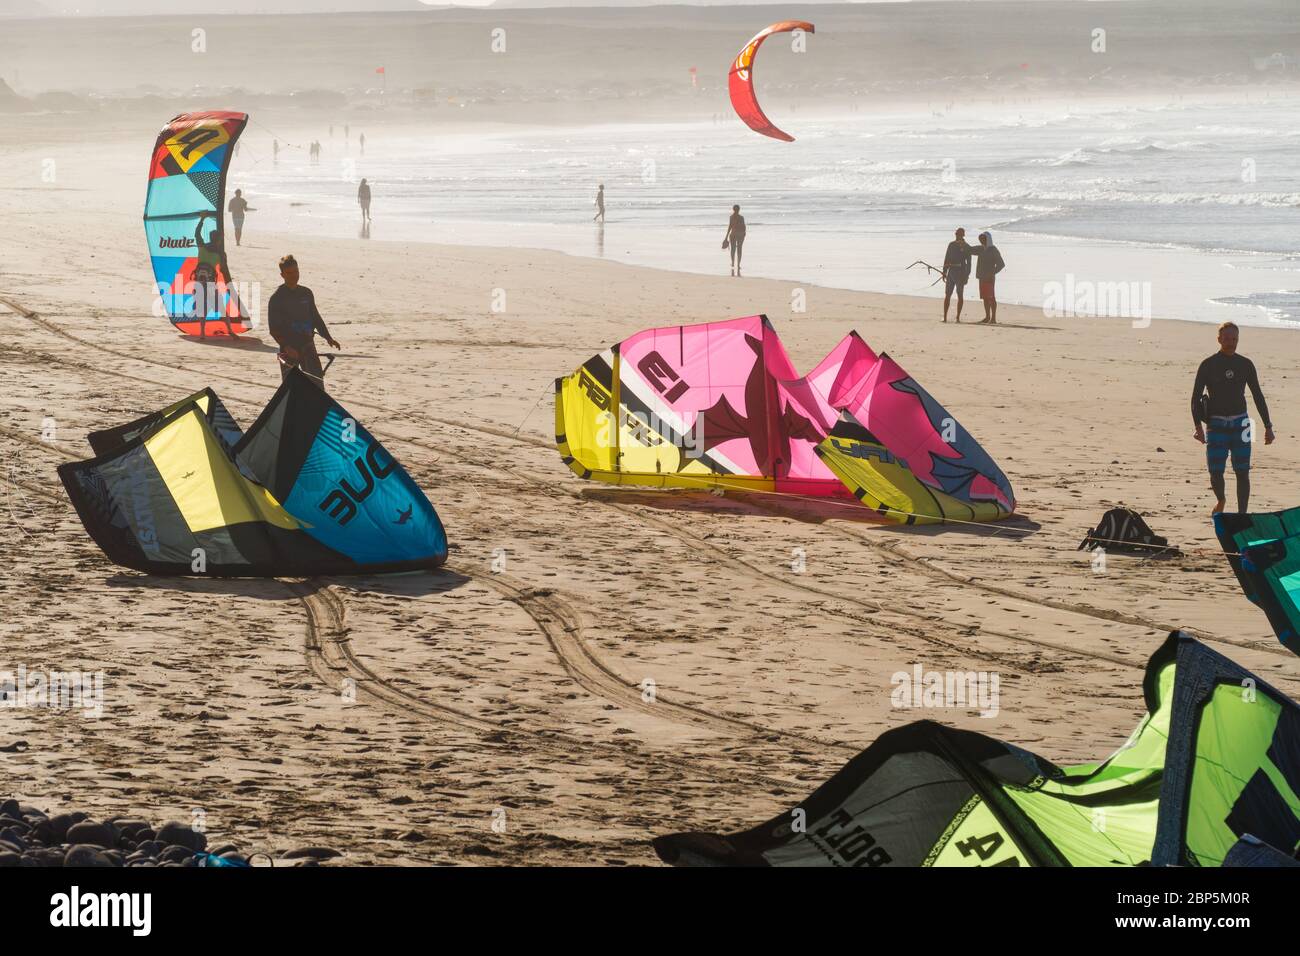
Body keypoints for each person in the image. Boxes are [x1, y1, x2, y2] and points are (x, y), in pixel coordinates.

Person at [1192, 321, 1275, 514]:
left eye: (1234, 339)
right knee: (1215, 471)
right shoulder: (1208, 364)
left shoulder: (1245, 364)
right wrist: (1197, 426)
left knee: (1243, 471)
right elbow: (1195, 397)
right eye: (1227, 339)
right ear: (1219, 339)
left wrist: (1268, 426)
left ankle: (1242, 514)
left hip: (1243, 424)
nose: (1231, 342)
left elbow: (1257, 395)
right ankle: (1221, 500)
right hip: (1216, 424)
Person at [267, 255, 340, 384]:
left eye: (296, 271)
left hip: (307, 345)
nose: (293, 275)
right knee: (291, 388)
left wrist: (328, 337)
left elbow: (316, 317)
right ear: (282, 275)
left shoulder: (306, 293)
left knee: (317, 384)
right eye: (289, 273)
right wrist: (286, 346)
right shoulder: (277, 298)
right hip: (289, 350)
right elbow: (274, 328)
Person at [970, 230, 1005, 324]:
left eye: (983, 239)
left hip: (989, 278)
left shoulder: (993, 249)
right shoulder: (980, 248)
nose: (982, 241)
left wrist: (992, 272)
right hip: (981, 277)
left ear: (988, 239)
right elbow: (969, 250)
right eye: (981, 239)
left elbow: (1001, 264)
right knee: (985, 297)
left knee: (991, 297)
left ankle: (993, 318)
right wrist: (961, 244)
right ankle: (987, 317)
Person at [941, 227, 975, 323]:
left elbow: (969, 263)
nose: (958, 236)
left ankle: (957, 317)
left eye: (959, 234)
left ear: (963, 235)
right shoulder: (951, 245)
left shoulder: (967, 247)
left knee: (959, 295)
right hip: (951, 272)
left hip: (960, 274)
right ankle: (945, 317)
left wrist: (967, 276)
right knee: (948, 295)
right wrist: (944, 271)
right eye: (957, 234)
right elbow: (947, 258)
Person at [723, 204, 745, 277]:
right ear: (739, 210)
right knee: (739, 249)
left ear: (733, 209)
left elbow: (730, 227)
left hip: (733, 234)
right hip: (740, 235)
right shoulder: (741, 217)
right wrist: (744, 234)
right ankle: (738, 264)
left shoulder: (731, 217)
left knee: (733, 249)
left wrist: (726, 236)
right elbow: (743, 227)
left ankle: (732, 263)